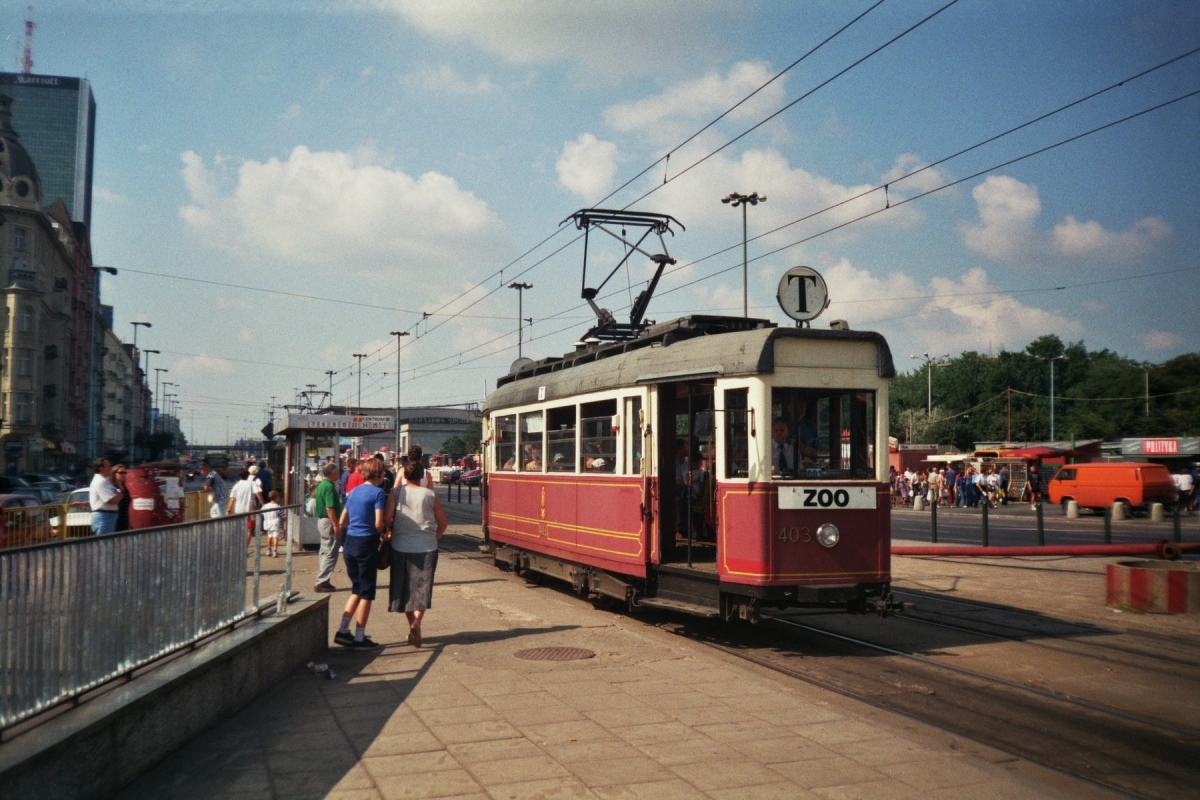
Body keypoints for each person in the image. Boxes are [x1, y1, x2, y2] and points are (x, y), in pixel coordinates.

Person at [386, 457, 448, 648]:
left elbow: (388, 519)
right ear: (422, 476)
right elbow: (443, 523)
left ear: (404, 475)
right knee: (422, 589)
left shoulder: (395, 493)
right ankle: (417, 623)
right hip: (427, 547)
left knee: (404, 589)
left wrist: (391, 531)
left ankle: (412, 624)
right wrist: (434, 537)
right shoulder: (430, 495)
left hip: (400, 546)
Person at [335, 457, 387, 648]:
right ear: (379, 474)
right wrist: (382, 531)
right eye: (383, 473)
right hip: (366, 543)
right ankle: (359, 636)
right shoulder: (378, 493)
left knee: (356, 588)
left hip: (350, 543)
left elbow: (342, 521)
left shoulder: (354, 492)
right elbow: (378, 523)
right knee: (367, 593)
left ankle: (342, 630)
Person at [313, 463, 343, 593]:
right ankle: (322, 580)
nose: (339, 473)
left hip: (323, 521)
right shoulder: (330, 487)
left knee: (325, 551)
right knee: (330, 552)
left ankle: (323, 579)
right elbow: (329, 508)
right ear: (333, 472)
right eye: (337, 471)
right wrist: (336, 525)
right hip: (329, 521)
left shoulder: (321, 485)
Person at [88, 458, 121, 535]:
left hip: (108, 515)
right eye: (108, 466)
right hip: (104, 516)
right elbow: (114, 500)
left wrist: (118, 495)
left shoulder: (105, 482)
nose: (111, 468)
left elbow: (118, 497)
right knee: (103, 543)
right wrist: (118, 495)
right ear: (101, 468)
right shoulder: (100, 482)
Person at [226, 469, 259, 545]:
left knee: (240, 529)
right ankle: (246, 547)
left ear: (239, 476)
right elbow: (258, 493)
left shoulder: (236, 485)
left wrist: (229, 510)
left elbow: (233, 499)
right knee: (249, 530)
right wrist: (262, 504)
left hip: (239, 511)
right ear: (248, 476)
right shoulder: (252, 484)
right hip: (249, 511)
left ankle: (240, 546)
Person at [261, 490, 284, 557]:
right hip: (275, 523)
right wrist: (285, 520)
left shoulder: (265, 506)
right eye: (278, 497)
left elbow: (262, 512)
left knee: (269, 536)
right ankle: (275, 551)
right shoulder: (278, 507)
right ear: (276, 498)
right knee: (275, 537)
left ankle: (268, 549)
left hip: (267, 523)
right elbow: (283, 516)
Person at [113, 465, 132, 532]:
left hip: (125, 517)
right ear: (114, 474)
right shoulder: (113, 487)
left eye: (125, 473)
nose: (123, 475)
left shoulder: (125, 488)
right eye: (121, 473)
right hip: (116, 517)